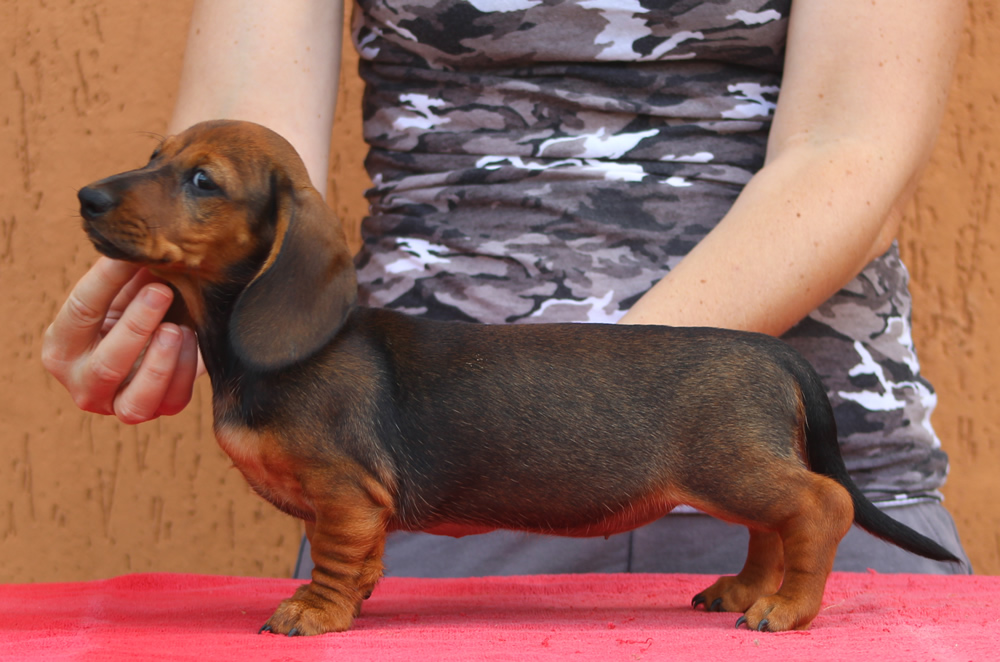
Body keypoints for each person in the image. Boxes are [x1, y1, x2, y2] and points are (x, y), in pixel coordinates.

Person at [43, 0, 972, 577]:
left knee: (791, 521)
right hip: (435, 459)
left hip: (740, 428)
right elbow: (242, 151)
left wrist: (599, 410)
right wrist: (156, 309)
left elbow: (849, 156)